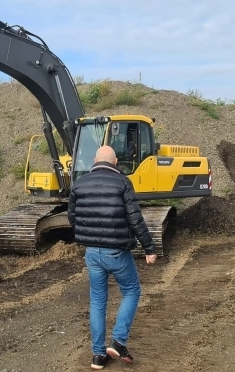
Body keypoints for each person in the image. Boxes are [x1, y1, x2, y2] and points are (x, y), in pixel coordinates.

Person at [67, 145, 157, 370]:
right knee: (132, 291)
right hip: (116, 252)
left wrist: (90, 234)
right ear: (115, 162)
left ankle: (98, 355)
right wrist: (149, 248)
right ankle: (118, 341)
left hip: (92, 253)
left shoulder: (79, 184)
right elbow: (135, 218)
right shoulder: (123, 183)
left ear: (95, 161)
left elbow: (72, 216)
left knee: (97, 301)